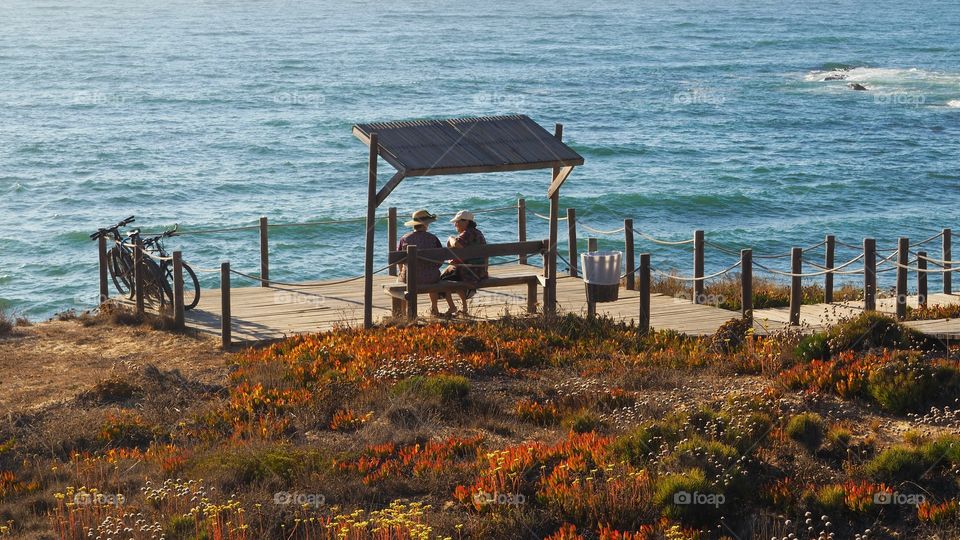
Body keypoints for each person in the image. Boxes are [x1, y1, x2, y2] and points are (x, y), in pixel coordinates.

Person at [440, 210, 488, 316]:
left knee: (443, 280)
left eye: (457, 222)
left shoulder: (467, 233)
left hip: (469, 272)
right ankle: (464, 308)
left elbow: (458, 244)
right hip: (480, 271)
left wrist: (450, 238)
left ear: (465, 222)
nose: (455, 224)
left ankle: (452, 307)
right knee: (452, 275)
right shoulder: (478, 233)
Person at [397, 209, 444, 316]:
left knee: (400, 282)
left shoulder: (404, 238)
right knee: (433, 276)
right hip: (431, 277)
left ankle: (403, 313)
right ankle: (434, 308)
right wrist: (432, 268)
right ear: (426, 224)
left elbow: (399, 259)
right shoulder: (433, 238)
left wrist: (401, 272)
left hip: (409, 278)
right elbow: (441, 258)